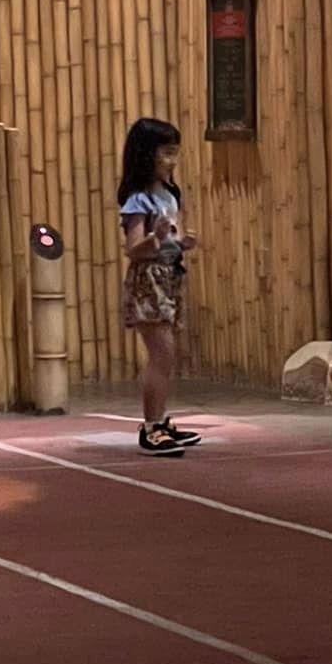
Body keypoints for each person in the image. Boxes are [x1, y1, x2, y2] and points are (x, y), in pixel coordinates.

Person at [118, 117, 201, 456]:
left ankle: (161, 420)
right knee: (161, 352)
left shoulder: (168, 195)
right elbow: (133, 249)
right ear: (146, 154)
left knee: (167, 355)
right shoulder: (138, 200)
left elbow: (167, 242)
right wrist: (157, 238)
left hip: (169, 275)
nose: (172, 160)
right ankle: (151, 428)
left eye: (175, 153)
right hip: (148, 278)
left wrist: (180, 244)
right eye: (166, 153)